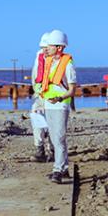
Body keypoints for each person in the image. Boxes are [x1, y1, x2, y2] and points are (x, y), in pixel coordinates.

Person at [38, 30, 77, 183]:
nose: (47, 48)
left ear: (59, 47)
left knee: (59, 138)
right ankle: (65, 168)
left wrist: (60, 98)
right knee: (55, 139)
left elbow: (72, 90)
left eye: (50, 45)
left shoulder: (68, 65)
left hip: (60, 106)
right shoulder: (48, 63)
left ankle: (57, 169)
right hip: (49, 105)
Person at [30, 32, 52, 162]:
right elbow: (35, 76)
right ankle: (40, 150)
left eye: (47, 47)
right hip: (40, 96)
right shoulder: (39, 57)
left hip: (54, 98)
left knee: (53, 125)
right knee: (36, 119)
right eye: (43, 47)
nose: (45, 50)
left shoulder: (59, 60)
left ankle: (53, 150)